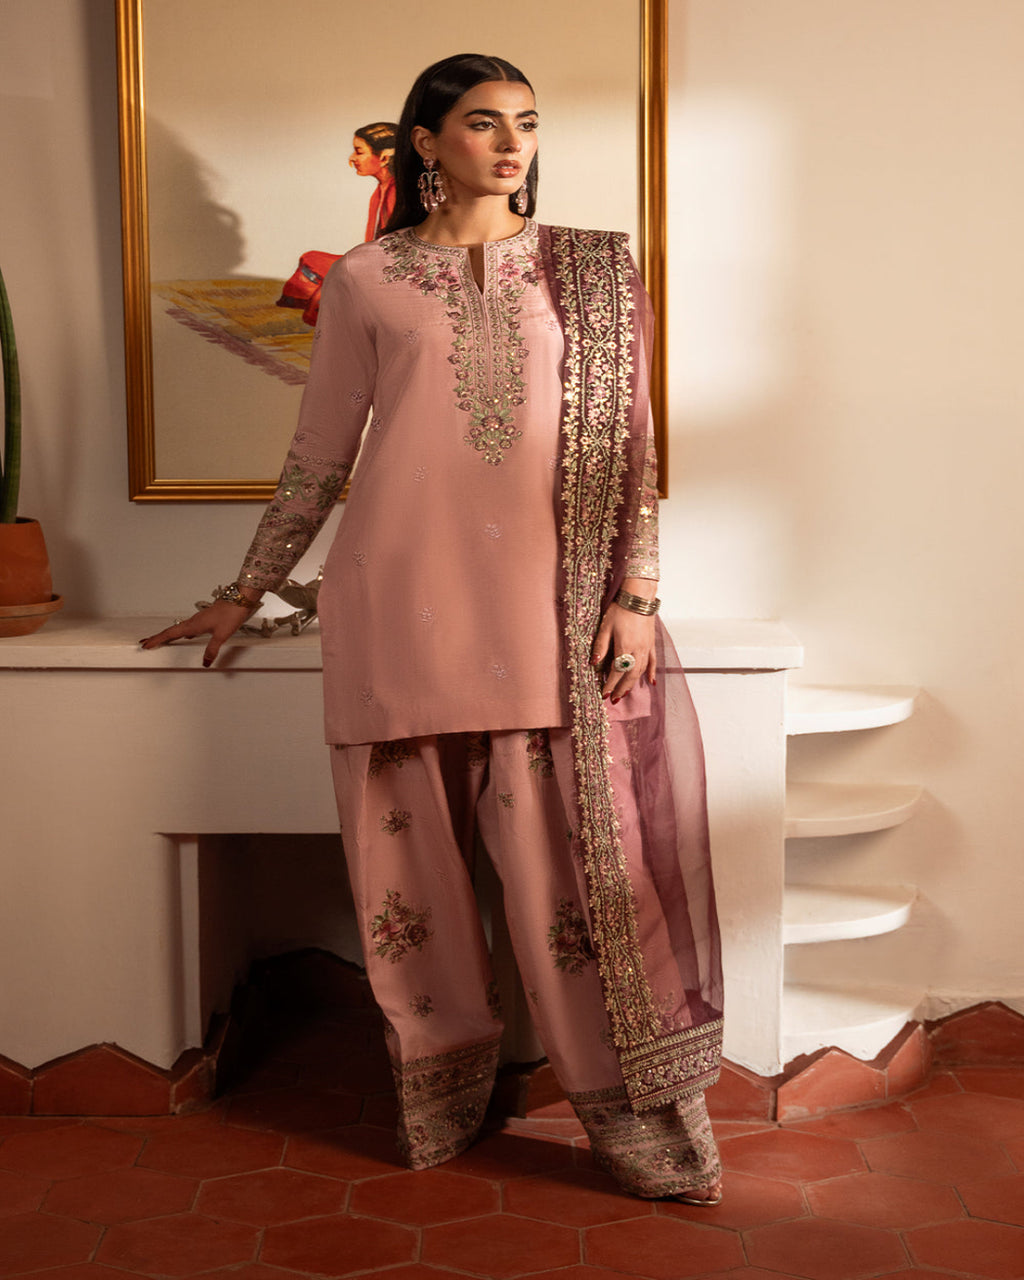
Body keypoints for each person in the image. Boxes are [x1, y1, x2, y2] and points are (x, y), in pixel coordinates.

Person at [141, 53, 724, 1205]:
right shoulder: (366, 280)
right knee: (412, 888)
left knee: (571, 895)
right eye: (481, 123)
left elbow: (633, 450)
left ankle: (636, 1126)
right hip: (397, 608)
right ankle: (444, 1100)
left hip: (551, 619)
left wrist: (636, 596)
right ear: (425, 142)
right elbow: (319, 459)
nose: (511, 145)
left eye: (526, 124)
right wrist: (250, 586)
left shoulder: (595, 273)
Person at [277, 121, 398, 324]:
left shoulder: (397, 191)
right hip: (376, 263)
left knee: (330, 287)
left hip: (392, 272)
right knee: (311, 259)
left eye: (359, 152)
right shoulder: (381, 190)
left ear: (384, 157)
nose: (352, 159)